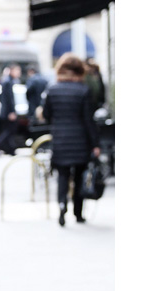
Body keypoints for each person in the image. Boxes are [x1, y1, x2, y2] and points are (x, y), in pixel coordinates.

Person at [41, 53, 101, 226]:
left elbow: (46, 114)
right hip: (80, 140)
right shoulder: (83, 90)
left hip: (60, 139)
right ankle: (78, 213)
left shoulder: (52, 89)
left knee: (62, 175)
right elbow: (89, 120)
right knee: (79, 176)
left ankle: (62, 206)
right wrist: (95, 144)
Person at [0, 64, 22, 155]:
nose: (19, 73)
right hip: (8, 112)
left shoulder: (7, 81)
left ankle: (9, 149)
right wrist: (11, 112)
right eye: (17, 70)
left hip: (6, 112)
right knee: (8, 131)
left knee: (8, 131)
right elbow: (8, 99)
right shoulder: (7, 82)